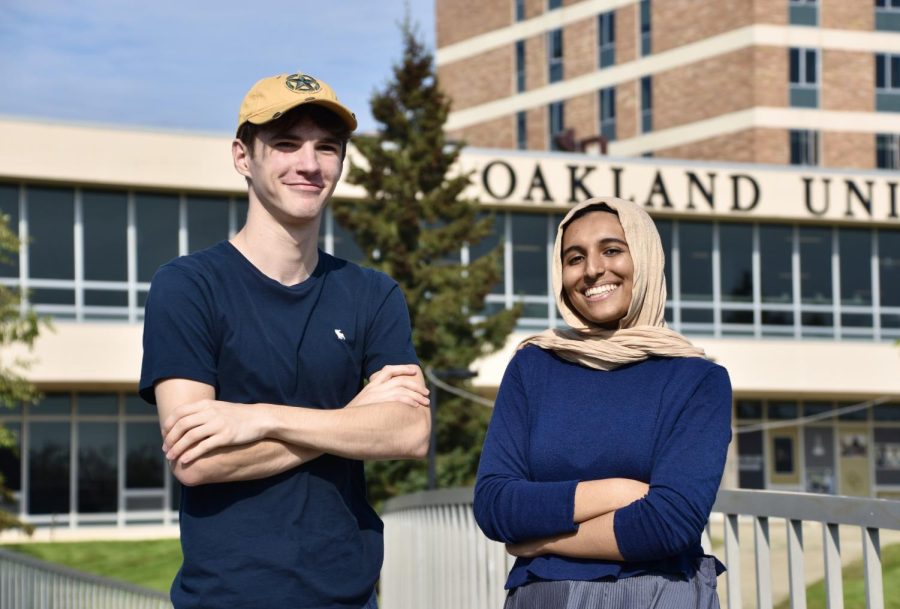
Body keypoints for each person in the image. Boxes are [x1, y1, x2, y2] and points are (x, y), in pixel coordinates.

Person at [139, 72, 430, 609]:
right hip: (227, 598)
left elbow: (409, 433)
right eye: (286, 144)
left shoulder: (372, 294)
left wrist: (261, 418)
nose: (310, 164)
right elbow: (196, 461)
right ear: (242, 157)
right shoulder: (187, 287)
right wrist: (352, 417)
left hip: (352, 595)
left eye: (327, 147)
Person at [474, 196, 732, 608]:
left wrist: (540, 542)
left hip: (657, 595)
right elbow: (495, 505)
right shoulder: (533, 366)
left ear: (646, 258)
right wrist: (617, 491)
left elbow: (669, 523)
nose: (593, 269)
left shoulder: (698, 380)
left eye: (612, 250)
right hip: (544, 598)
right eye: (575, 258)